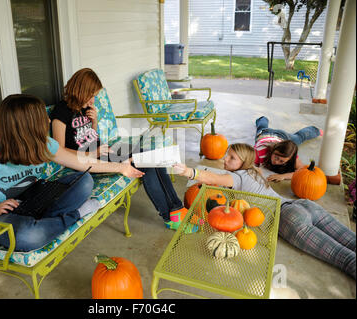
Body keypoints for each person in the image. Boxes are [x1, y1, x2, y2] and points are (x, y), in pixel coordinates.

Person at [0, 94, 144, 252]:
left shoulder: (43, 142)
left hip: (33, 196)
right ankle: (74, 214)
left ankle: (43, 221)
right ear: (27, 125)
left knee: (84, 182)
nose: (48, 119)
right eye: (43, 117)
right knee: (28, 237)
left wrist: (121, 167)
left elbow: (81, 163)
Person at [173, 143, 356, 279]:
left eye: (231, 158)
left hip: (288, 218)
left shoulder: (236, 178)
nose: (225, 160)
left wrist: (189, 171)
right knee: (351, 241)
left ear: (243, 162)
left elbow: (212, 177)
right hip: (305, 205)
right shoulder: (254, 171)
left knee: (345, 259)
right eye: (227, 155)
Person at [50, 68, 196, 232]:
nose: (93, 100)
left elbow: (90, 136)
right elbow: (59, 150)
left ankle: (176, 210)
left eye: (94, 96)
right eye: (91, 95)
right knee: (146, 162)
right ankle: (172, 216)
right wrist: (90, 154)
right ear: (80, 91)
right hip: (86, 161)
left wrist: (95, 122)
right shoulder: (61, 111)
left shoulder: (85, 107)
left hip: (102, 151)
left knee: (149, 156)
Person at [254, 116, 322, 182]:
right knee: (261, 126)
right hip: (264, 133)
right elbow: (251, 166)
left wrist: (283, 176)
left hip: (282, 136)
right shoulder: (259, 151)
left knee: (299, 137)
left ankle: (316, 130)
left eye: (282, 161)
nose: (276, 162)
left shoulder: (290, 153)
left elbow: (301, 171)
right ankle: (262, 118)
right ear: (273, 150)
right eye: (276, 157)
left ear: (290, 158)